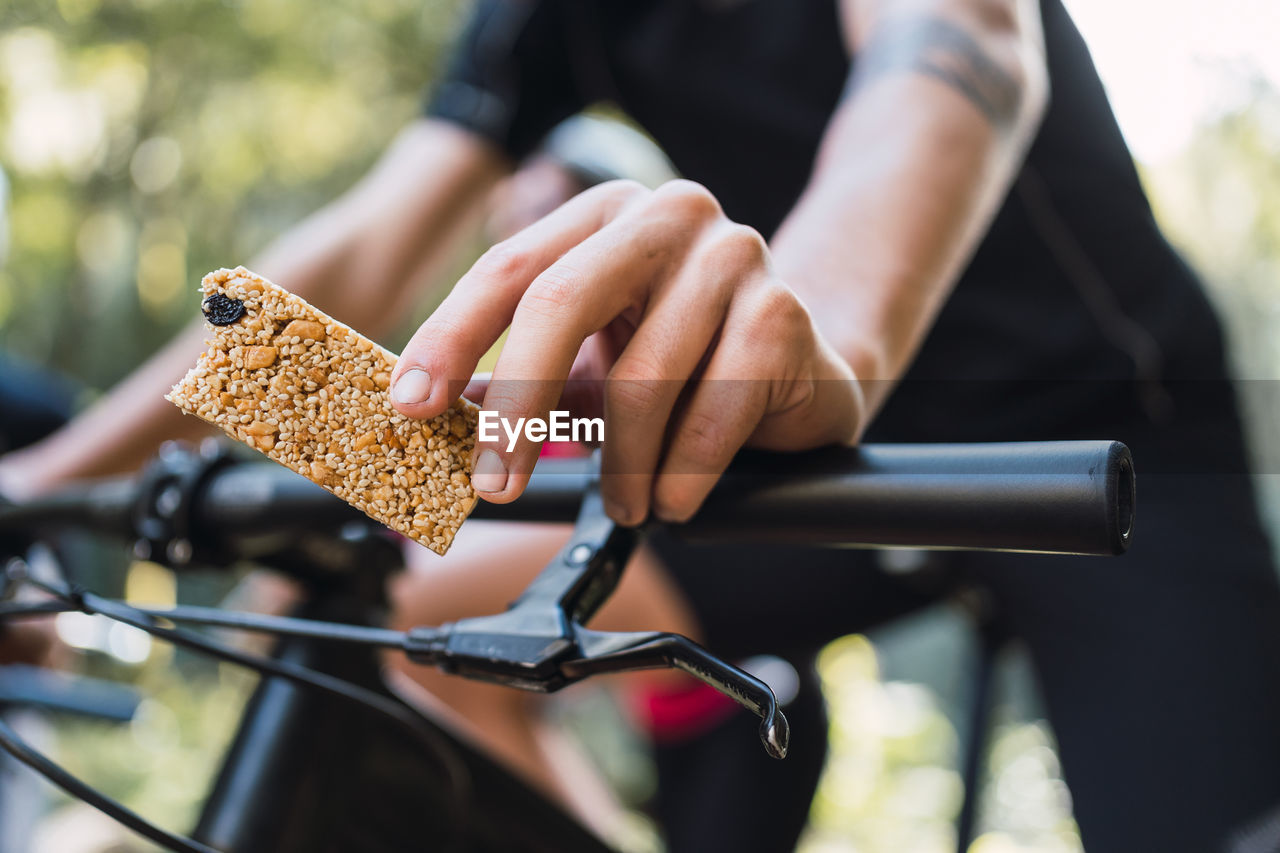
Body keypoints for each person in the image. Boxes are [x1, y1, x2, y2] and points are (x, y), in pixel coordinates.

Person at [2, 0, 1279, 850]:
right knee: (388, 606)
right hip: (799, 455)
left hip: (1102, 435)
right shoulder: (541, 18)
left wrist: (821, 331)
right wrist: (41, 487)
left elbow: (956, 56)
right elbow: (364, 247)